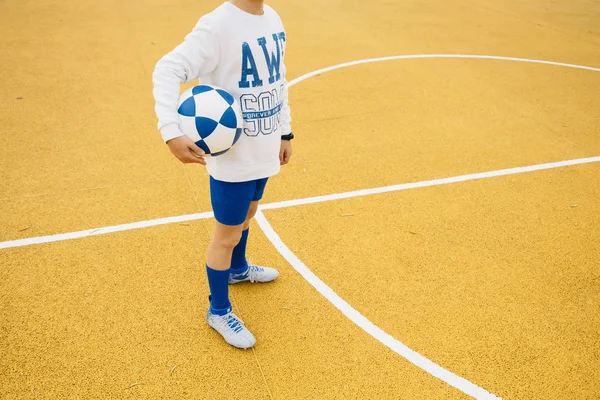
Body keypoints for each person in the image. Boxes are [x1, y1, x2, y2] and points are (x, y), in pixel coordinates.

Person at [152, 0, 293, 349]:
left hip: (263, 147)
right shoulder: (218, 25)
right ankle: (218, 310)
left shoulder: (272, 17)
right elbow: (166, 69)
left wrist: (285, 131)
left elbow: (279, 79)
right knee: (226, 235)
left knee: (249, 213)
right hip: (233, 158)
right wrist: (171, 130)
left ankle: (237, 269)